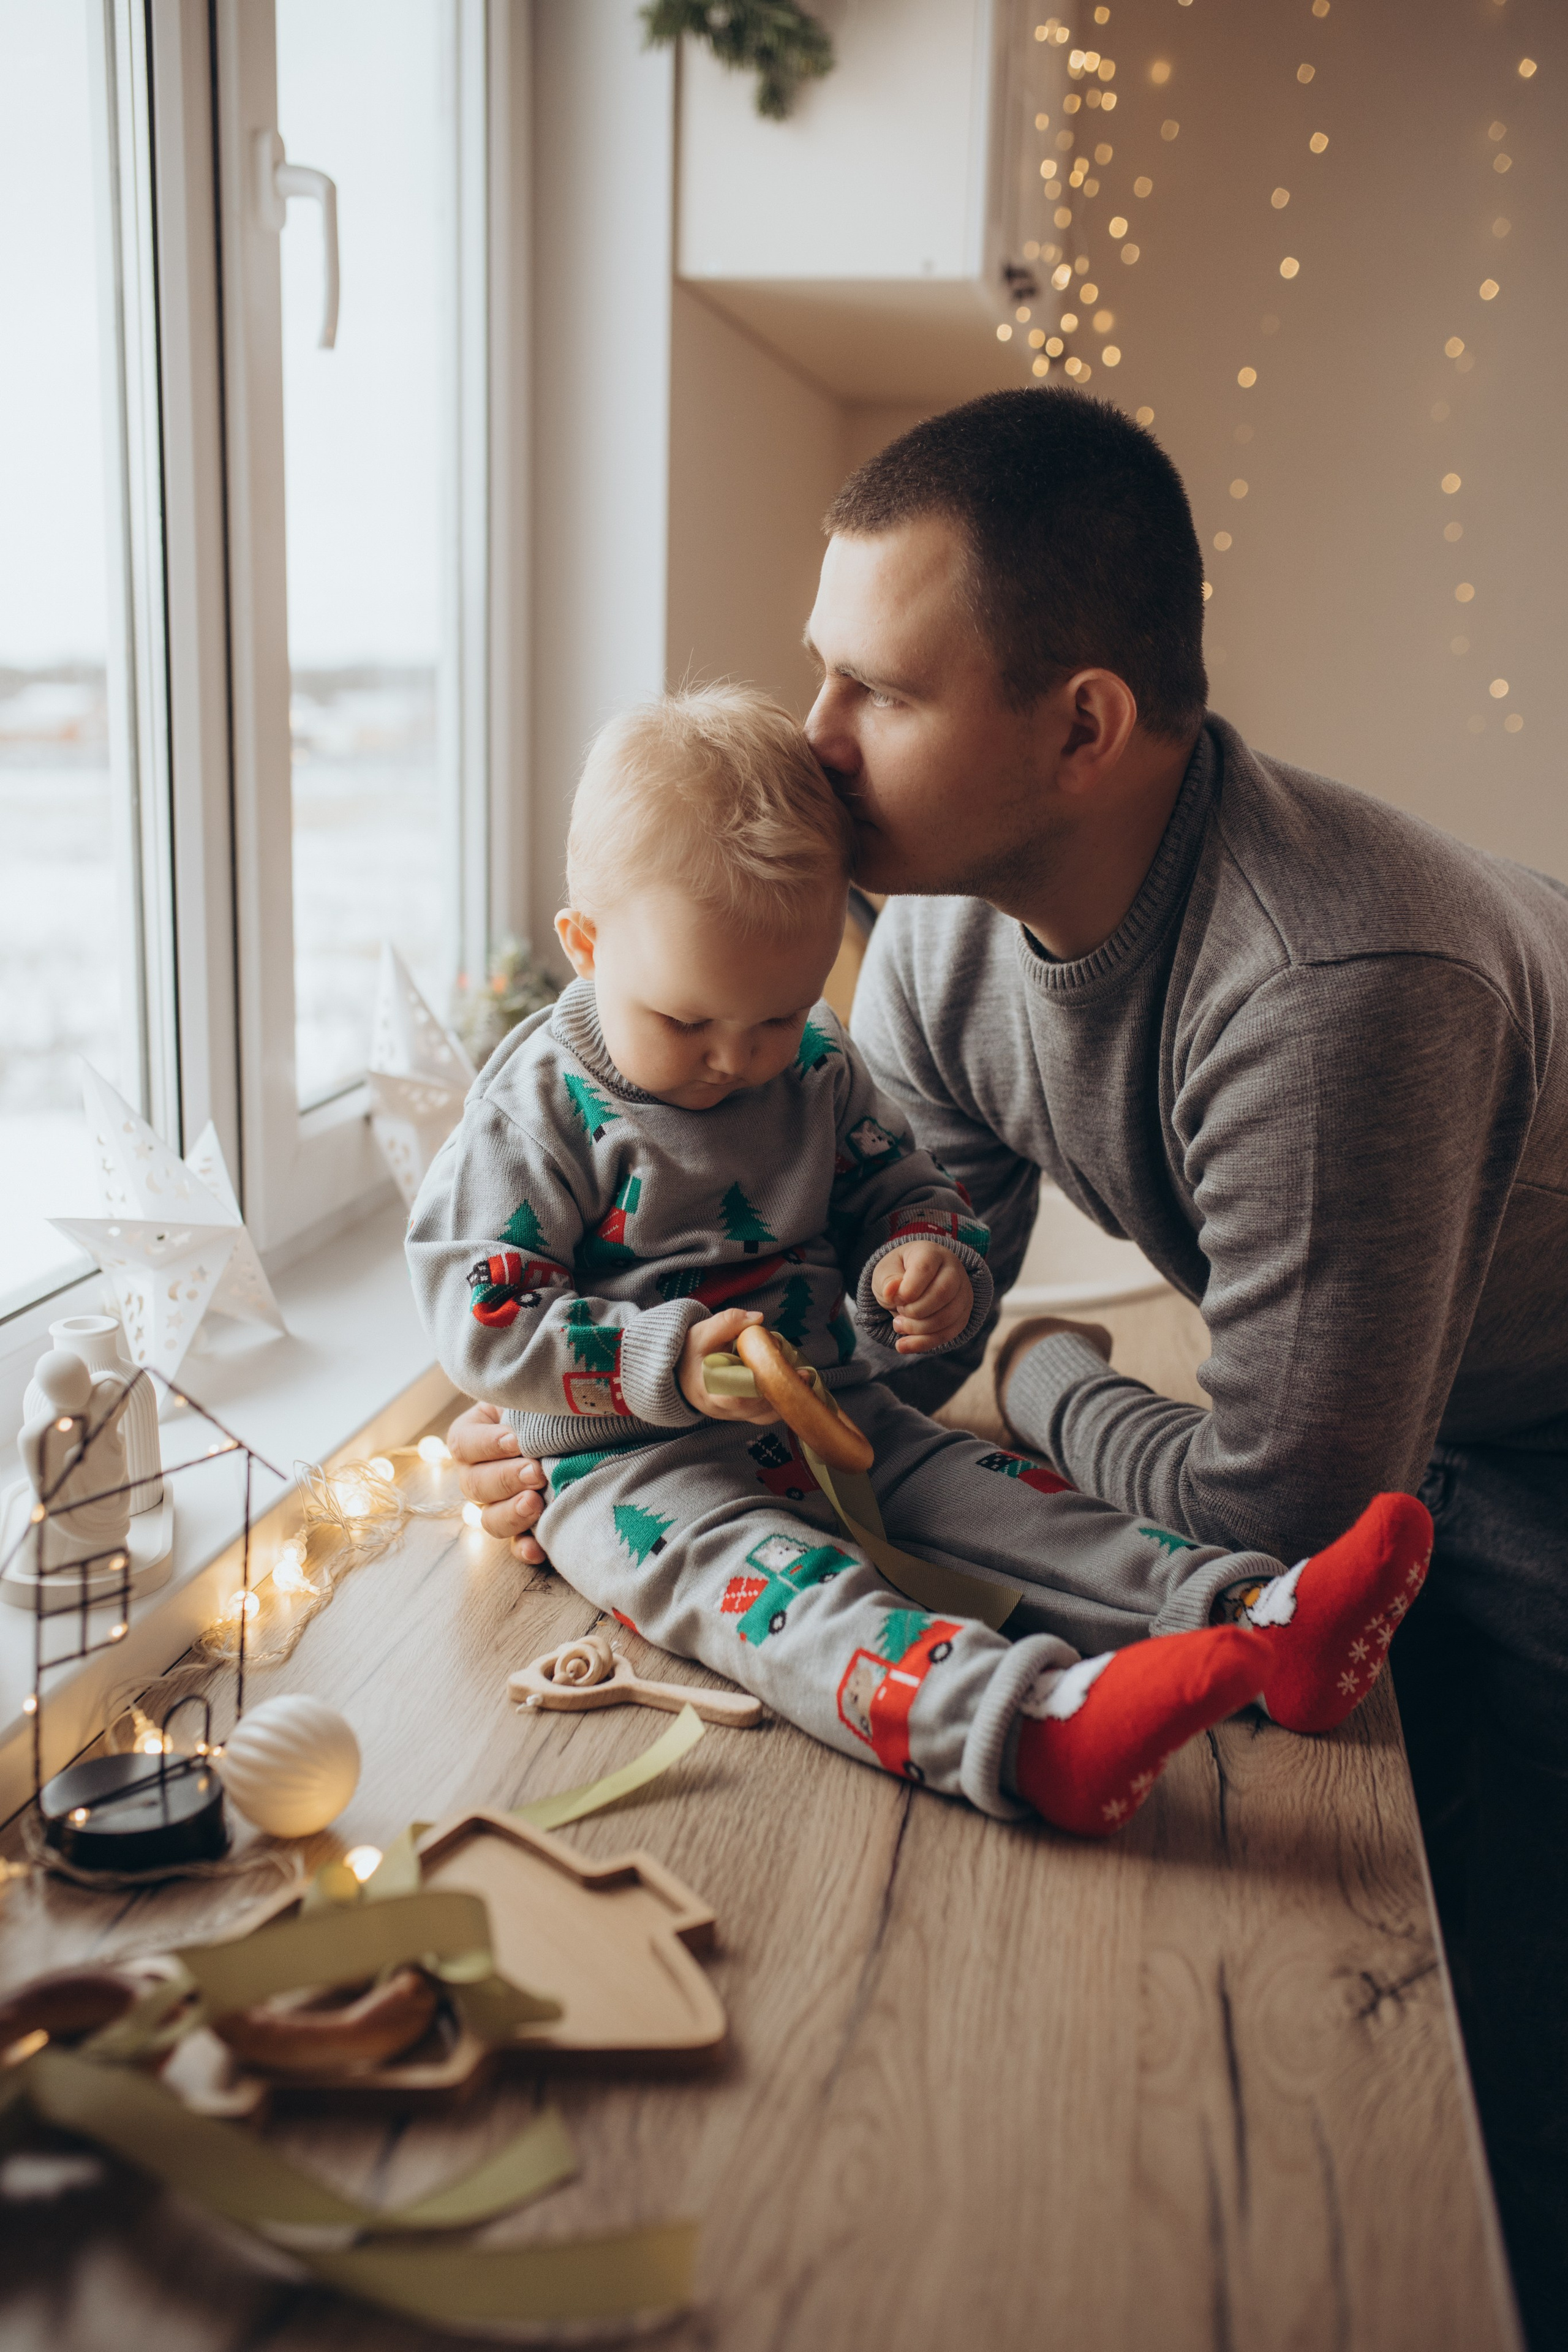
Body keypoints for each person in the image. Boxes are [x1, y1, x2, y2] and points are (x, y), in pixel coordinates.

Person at [448, 389, 1567, 2337]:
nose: (810, 739)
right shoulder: (947, 948)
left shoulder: (1331, 999)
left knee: (1481, 2058)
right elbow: (886, 1296)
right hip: (1385, 1402)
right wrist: (561, 1400)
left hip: (1534, 1440)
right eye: (818, 668)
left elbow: (1287, 1505)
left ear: (1082, 727)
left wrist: (1042, 1370)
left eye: (874, 688)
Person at [412, 684, 1431, 1839]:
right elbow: (477, 1304)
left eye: (778, 1016)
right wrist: (657, 1360)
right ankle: (1026, 1725)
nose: (740, 1061)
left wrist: (925, 1258)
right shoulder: (534, 1112)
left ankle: (1256, 1615)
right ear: (586, 946)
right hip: (636, 1473)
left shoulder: (813, 1064)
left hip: (838, 1412)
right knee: (791, 1603)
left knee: (1014, 1507)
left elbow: (903, 1186)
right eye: (690, 1023)